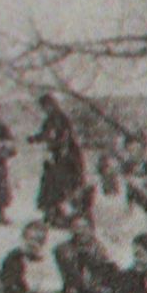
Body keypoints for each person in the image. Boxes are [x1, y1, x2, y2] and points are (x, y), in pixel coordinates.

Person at [33, 94, 87, 224]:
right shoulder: (52, 119)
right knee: (53, 183)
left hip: (67, 157)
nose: (45, 109)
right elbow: (48, 134)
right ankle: (54, 211)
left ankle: (63, 211)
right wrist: (36, 138)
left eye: (46, 106)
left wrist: (58, 147)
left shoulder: (59, 118)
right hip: (59, 156)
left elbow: (63, 137)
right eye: (44, 107)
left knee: (62, 183)